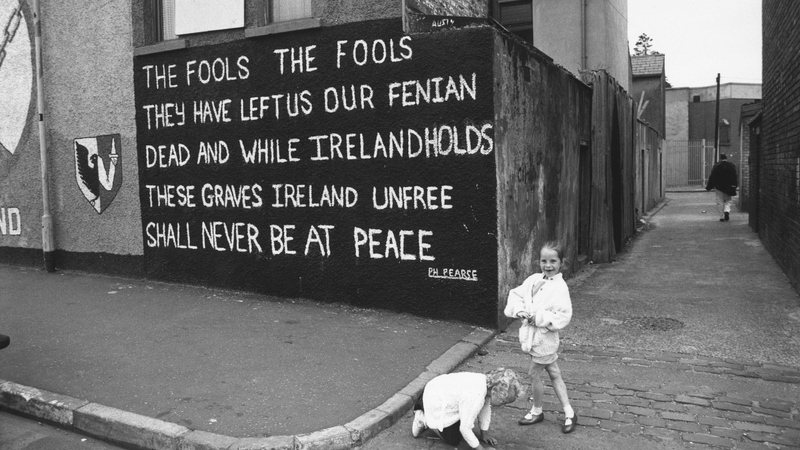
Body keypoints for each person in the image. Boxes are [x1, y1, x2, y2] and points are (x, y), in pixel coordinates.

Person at [504, 241, 577, 434]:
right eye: (544, 261)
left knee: (534, 373)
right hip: (533, 338)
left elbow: (564, 315)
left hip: (544, 340)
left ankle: (537, 411)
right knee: (554, 373)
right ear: (539, 261)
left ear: (561, 262)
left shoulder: (560, 287)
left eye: (553, 261)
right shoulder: (534, 279)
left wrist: (540, 318)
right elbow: (516, 295)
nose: (548, 265)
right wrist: (520, 310)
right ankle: (569, 412)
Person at [411, 368, 523, 450]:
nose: (503, 405)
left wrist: (484, 433)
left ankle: (426, 411)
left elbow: (485, 408)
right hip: (433, 398)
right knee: (453, 439)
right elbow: (465, 428)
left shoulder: (487, 384)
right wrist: (480, 449)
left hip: (437, 388)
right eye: (503, 401)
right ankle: (424, 418)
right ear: (494, 391)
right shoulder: (476, 395)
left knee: (465, 419)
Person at [705, 153, 738, 222]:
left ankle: (721, 216)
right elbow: (734, 176)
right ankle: (726, 211)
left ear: (720, 159)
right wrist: (734, 185)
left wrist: (709, 186)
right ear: (726, 158)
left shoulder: (717, 166)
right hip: (728, 186)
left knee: (720, 201)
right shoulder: (731, 166)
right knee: (728, 200)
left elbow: (712, 177)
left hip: (719, 187)